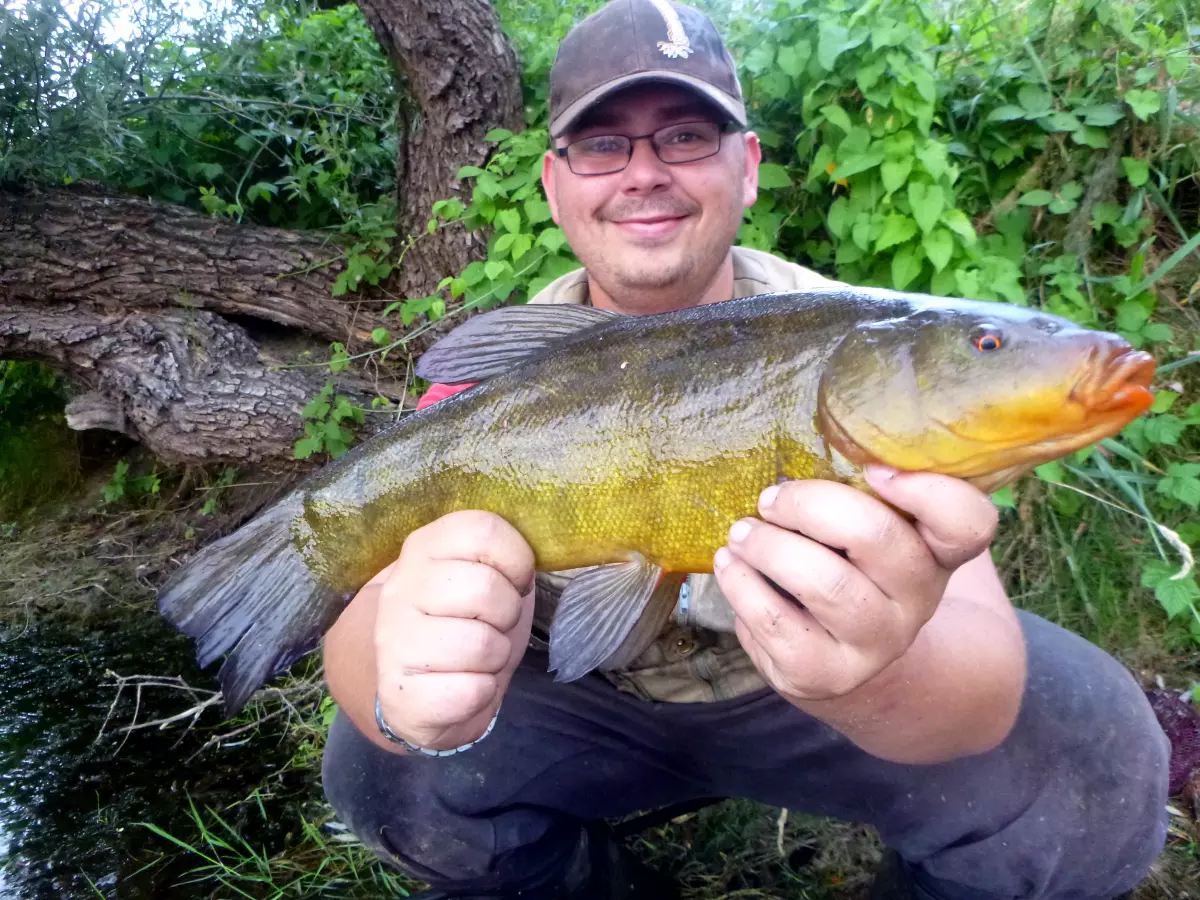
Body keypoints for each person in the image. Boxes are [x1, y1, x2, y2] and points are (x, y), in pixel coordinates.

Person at [320, 2, 1170, 897]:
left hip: (814, 712)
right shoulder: (505, 378)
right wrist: (404, 693)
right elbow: (358, 618)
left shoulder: (861, 340)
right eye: (603, 144)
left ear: (748, 165)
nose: (644, 174)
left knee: (1097, 763)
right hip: (576, 703)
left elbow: (979, 682)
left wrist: (863, 677)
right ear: (553, 185)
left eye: (685, 135)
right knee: (383, 773)